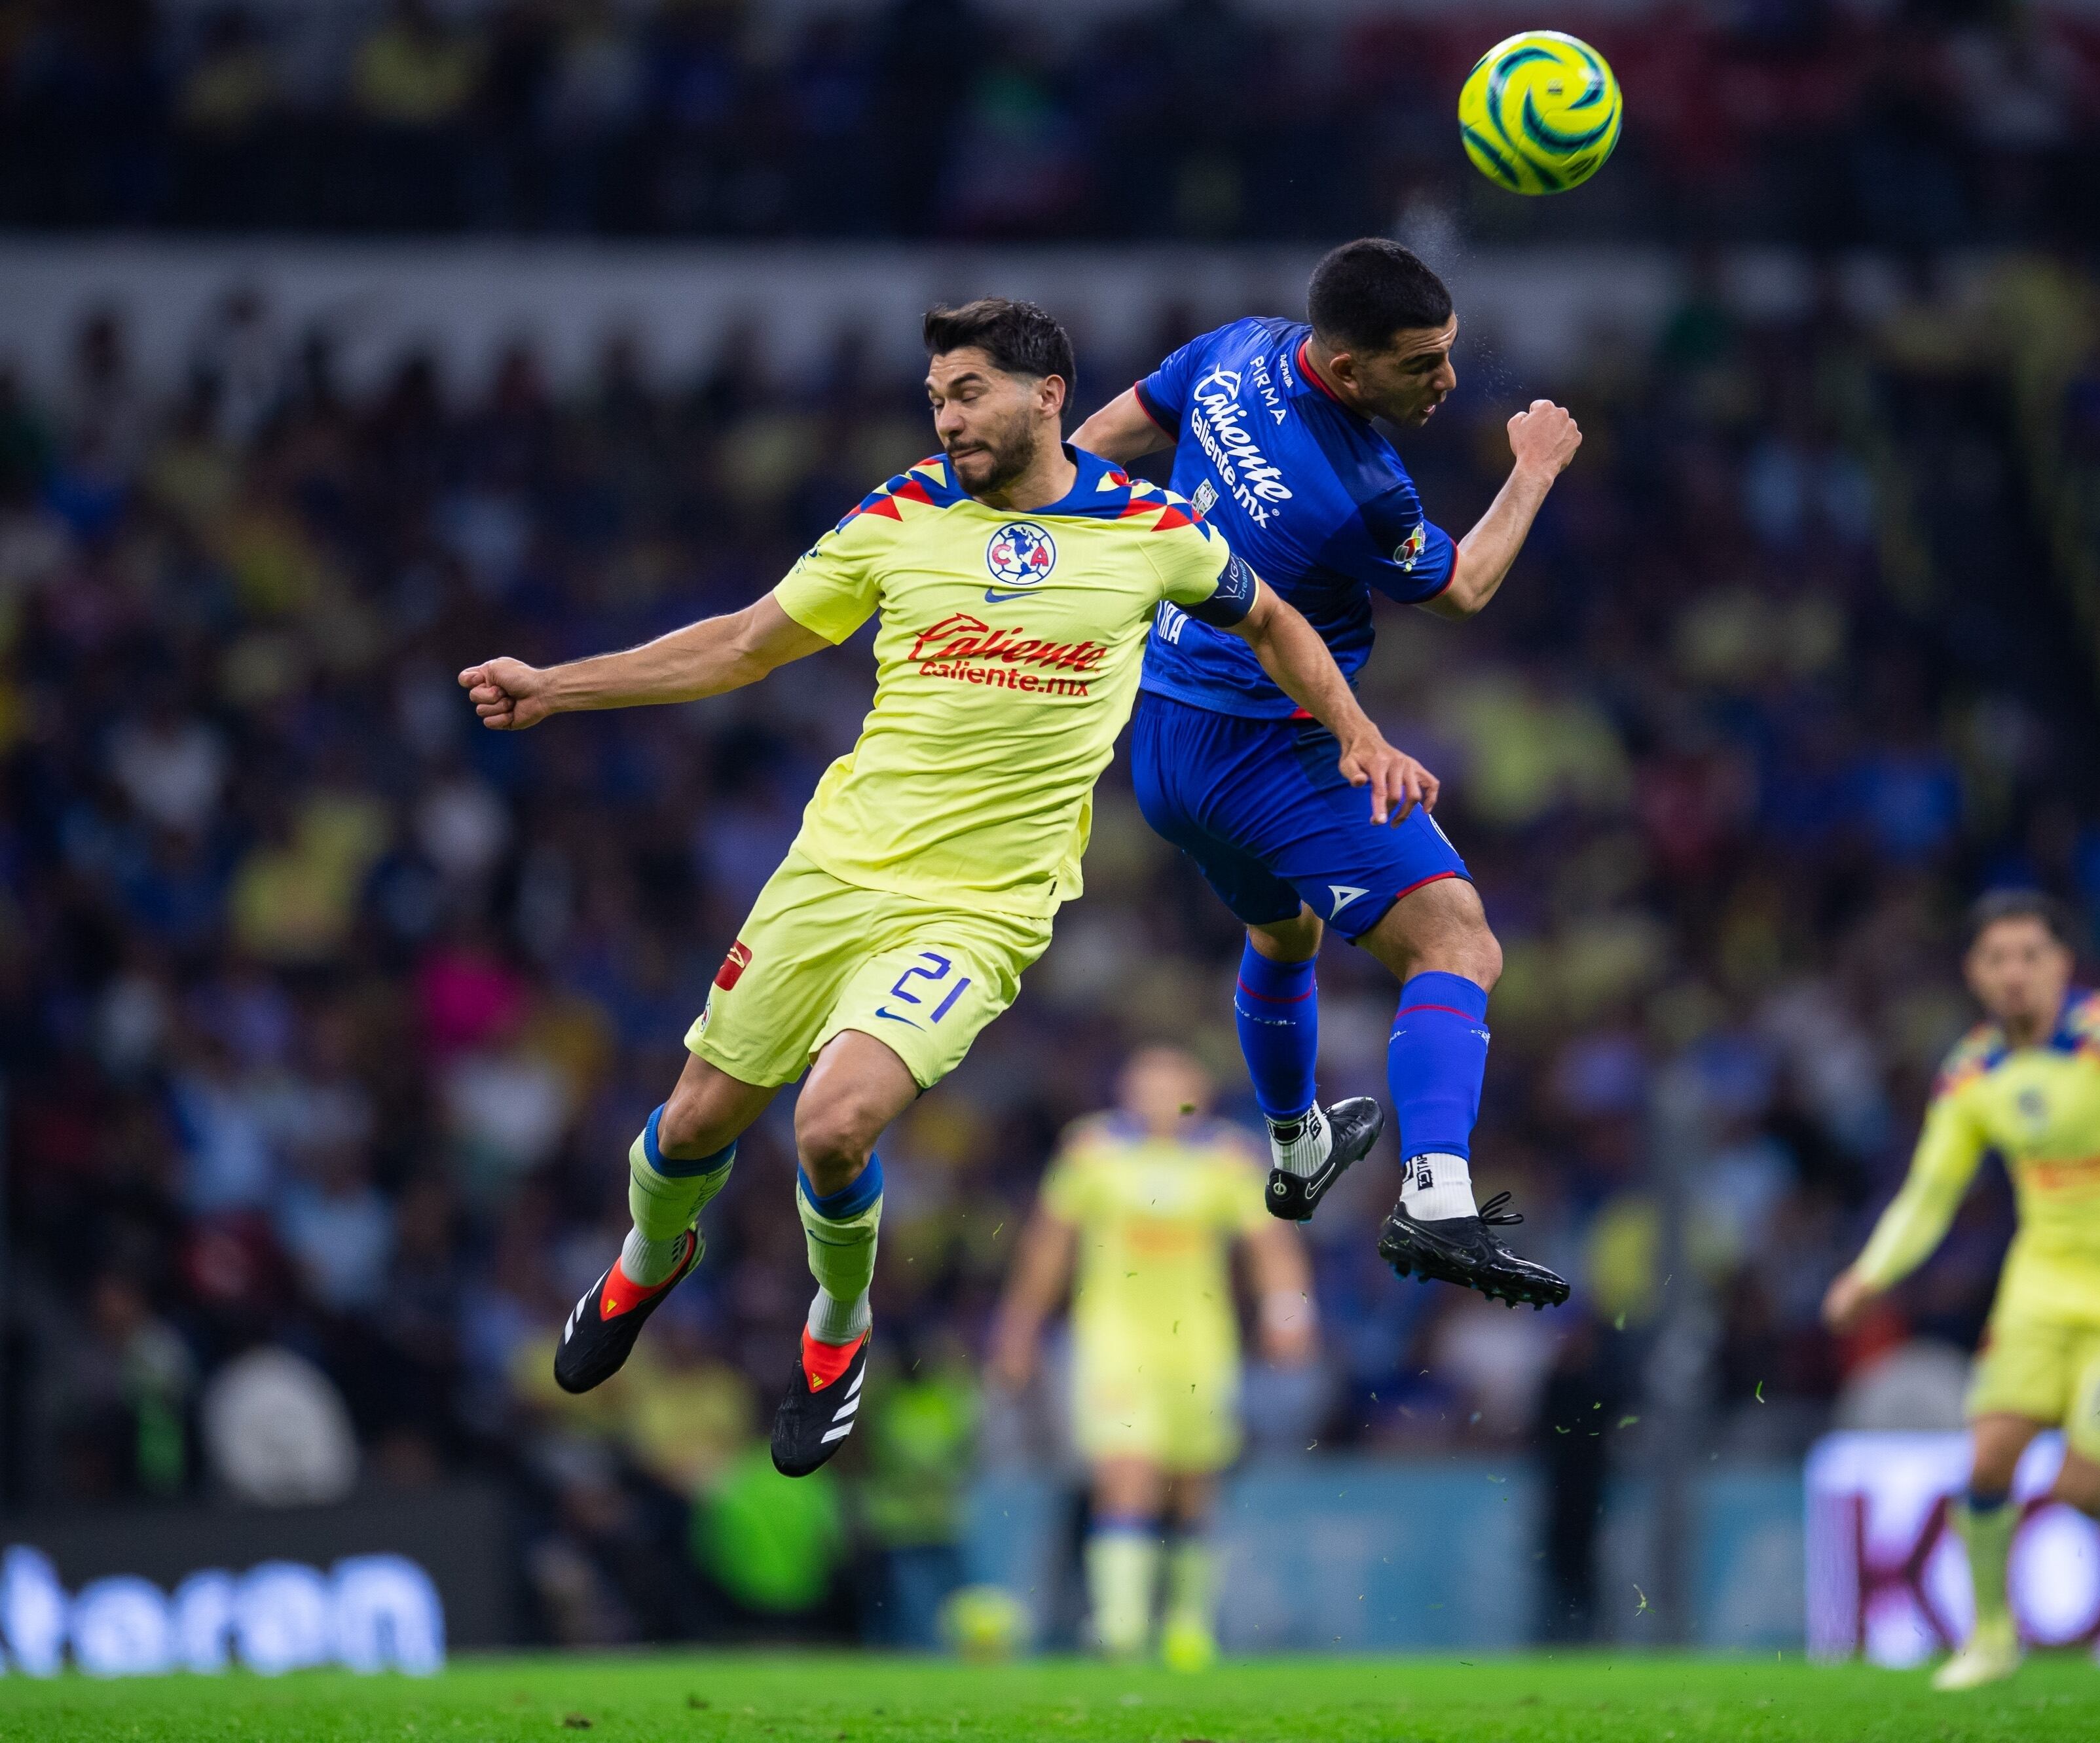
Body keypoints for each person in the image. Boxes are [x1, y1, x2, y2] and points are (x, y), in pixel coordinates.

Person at [459, 298, 1433, 1480]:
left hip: (983, 909)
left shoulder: (1149, 527)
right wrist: (559, 686)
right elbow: (744, 643)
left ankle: (835, 1331)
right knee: (696, 1124)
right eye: (936, 400)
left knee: (833, 1121)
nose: (949, 420)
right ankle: (648, 1258)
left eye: (968, 393)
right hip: (832, 873)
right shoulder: (902, 513)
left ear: (1047, 395)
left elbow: (1275, 621)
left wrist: (1357, 736)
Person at [1070, 238, 1578, 1309]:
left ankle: (1299, 1141)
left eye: (1449, 353)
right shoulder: (1360, 490)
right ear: (1348, 371)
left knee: (1284, 931)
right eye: (1421, 364)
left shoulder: (1234, 347)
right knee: (1456, 938)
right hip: (1266, 745)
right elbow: (1467, 588)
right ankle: (1437, 1195)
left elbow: (1099, 439)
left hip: (1163, 743)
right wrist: (1532, 469)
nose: (1446, 381)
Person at [1822, 889, 2100, 1690]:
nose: (2014, 974)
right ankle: (1990, 1637)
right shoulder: (1973, 1070)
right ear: (1973, 974)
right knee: (1986, 1460)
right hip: (2041, 1289)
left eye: (2029, 956)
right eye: (1996, 959)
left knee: (2078, 1487)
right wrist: (1870, 1273)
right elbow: (1929, 1193)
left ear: (2061, 964)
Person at [987, 1045, 1316, 1668]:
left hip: (1198, 1342)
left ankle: (1188, 1626)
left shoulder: (1227, 1158)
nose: (1160, 1096)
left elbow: (1270, 1244)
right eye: (1147, 1084)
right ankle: (1122, 1627)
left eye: (1174, 1085)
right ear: (1125, 1090)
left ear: (1200, 1094)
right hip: (1114, 1339)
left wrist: (1288, 1313)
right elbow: (1048, 1244)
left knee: (1193, 1484)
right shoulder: (1091, 1150)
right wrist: (1018, 1328)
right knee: (1125, 1471)